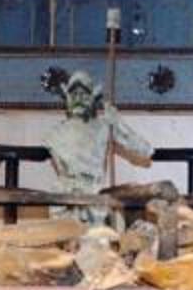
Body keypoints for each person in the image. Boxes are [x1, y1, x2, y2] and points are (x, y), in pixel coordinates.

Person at [42, 69, 152, 219]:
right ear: (66, 97)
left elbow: (146, 150)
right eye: (74, 94)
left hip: (96, 200)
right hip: (64, 200)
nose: (78, 99)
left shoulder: (103, 127)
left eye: (84, 94)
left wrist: (119, 124)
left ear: (93, 97)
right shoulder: (54, 134)